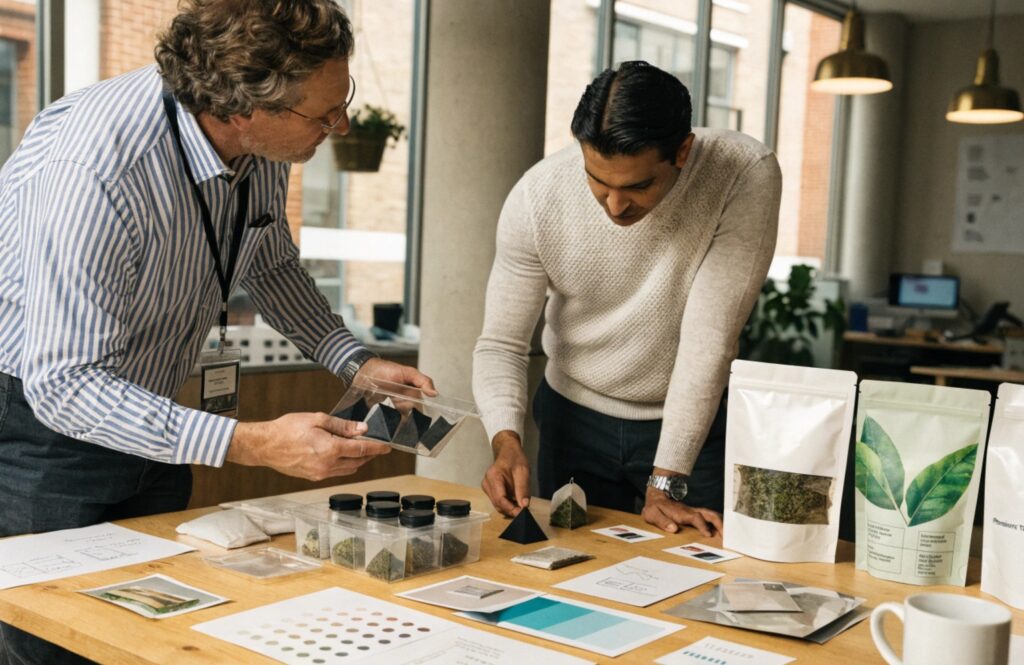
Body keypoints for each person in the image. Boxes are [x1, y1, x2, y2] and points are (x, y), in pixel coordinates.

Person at [0, 2, 429, 663]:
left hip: (153, 416)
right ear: (240, 109)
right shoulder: (96, 167)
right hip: (43, 431)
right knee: (56, 642)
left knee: (151, 637)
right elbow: (65, 384)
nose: (340, 125)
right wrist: (251, 441)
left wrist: (355, 362)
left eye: (341, 103)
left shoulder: (260, 144)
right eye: (322, 114)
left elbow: (271, 261)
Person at [474, 61, 781, 538]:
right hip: (571, 415)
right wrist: (505, 440)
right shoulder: (537, 197)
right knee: (571, 571)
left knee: (701, 572)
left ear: (682, 151)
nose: (615, 206)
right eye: (599, 181)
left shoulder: (742, 173)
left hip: (694, 425)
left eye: (638, 185)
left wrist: (667, 479)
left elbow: (709, 340)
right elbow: (501, 344)